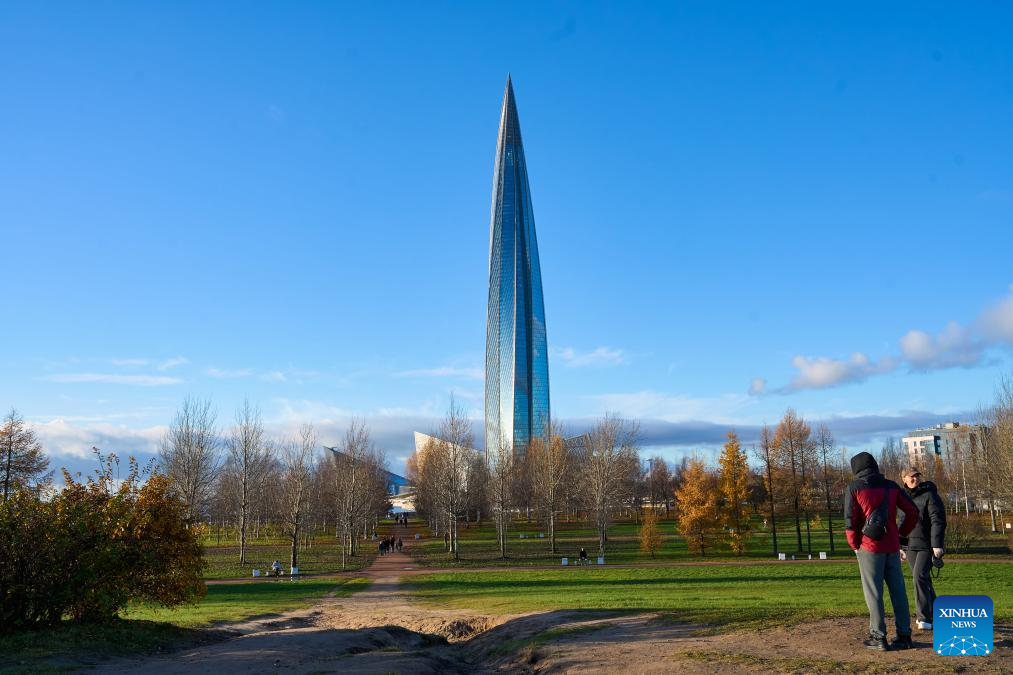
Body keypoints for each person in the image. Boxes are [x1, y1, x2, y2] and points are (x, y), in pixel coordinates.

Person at [845, 451, 919, 651]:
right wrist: (900, 534)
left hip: (869, 547)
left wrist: (854, 545)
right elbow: (912, 512)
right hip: (892, 546)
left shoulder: (855, 488)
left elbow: (850, 521)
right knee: (899, 592)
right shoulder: (892, 486)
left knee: (874, 593)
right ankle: (904, 636)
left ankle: (878, 637)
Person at [900, 467, 946, 631]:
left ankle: (924, 618)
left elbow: (938, 520)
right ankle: (939, 614)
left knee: (919, 577)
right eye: (911, 477)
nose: (915, 479)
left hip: (927, 545)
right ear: (904, 479)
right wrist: (901, 546)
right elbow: (901, 523)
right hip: (911, 546)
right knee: (924, 579)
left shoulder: (930, 495)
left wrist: (937, 545)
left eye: (917, 476)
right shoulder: (903, 498)